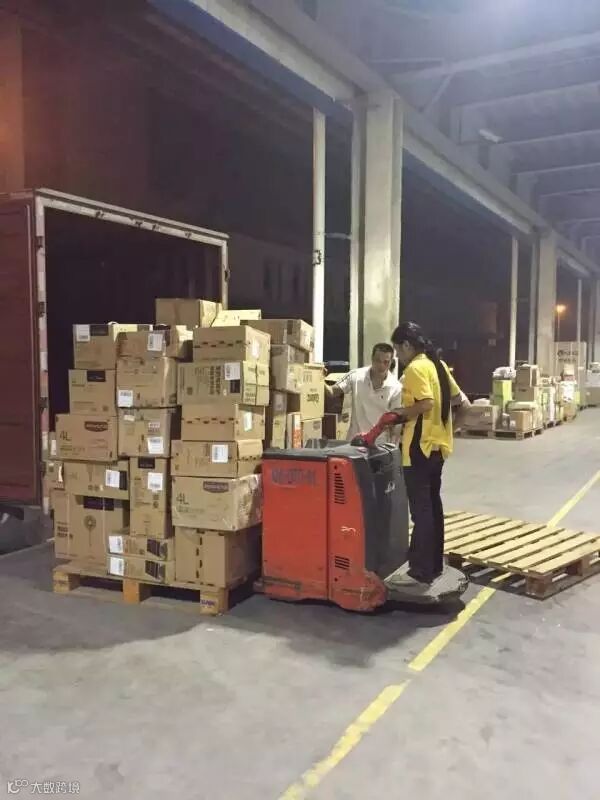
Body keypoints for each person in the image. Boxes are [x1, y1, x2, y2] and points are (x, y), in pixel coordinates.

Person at [390, 321, 470, 590]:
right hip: (438, 449)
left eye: (398, 350)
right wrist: (449, 431)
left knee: (421, 511)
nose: (398, 356)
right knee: (433, 507)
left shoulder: (415, 368)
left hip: (418, 449)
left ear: (407, 345)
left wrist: (400, 415)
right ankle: (434, 564)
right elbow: (464, 405)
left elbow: (426, 403)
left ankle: (420, 571)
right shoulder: (439, 366)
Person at [326, 343, 403, 443]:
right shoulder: (356, 376)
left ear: (391, 362)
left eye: (386, 362)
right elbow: (332, 391)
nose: (381, 365)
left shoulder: (396, 387)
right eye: (378, 360)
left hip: (379, 444)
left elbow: (395, 422)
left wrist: (392, 446)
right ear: (372, 359)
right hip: (355, 442)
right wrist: (317, 376)